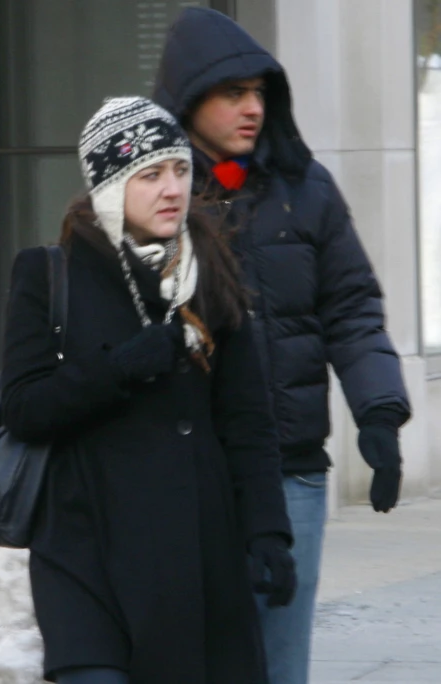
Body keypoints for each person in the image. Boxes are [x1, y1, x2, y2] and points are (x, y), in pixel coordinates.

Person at [153, 8, 411, 684]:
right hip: (185, 474)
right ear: (188, 99)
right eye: (232, 93)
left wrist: (377, 413)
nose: (251, 108)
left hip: (291, 468)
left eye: (260, 92)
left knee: (277, 662)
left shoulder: (305, 189)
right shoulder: (153, 195)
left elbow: (351, 308)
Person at [0, 96, 296, 684]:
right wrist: (122, 366)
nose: (172, 189)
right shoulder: (47, 274)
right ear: (111, 185)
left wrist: (268, 533)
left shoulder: (211, 273)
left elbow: (247, 423)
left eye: (181, 170)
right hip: (88, 558)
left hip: (199, 558)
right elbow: (26, 410)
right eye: (151, 174)